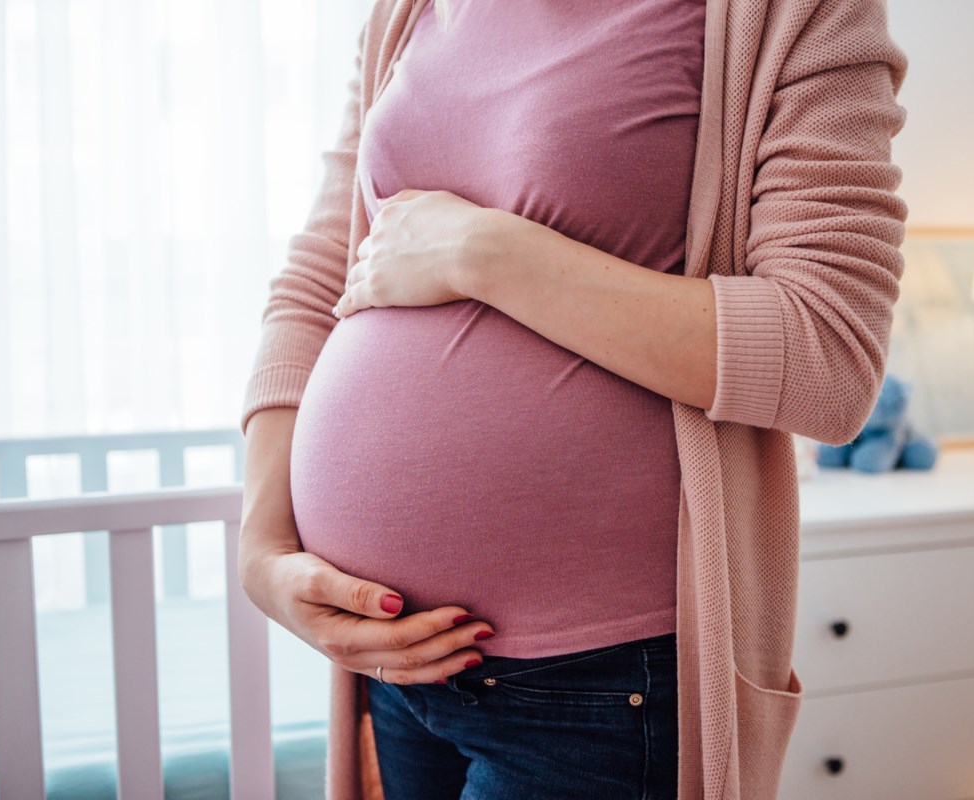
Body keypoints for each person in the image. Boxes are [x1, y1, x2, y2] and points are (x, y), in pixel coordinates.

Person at [237, 0, 909, 797]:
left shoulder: (791, 14)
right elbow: (322, 275)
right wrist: (262, 547)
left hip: (597, 687)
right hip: (392, 664)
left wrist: (486, 253)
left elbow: (826, 352)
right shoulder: (407, 10)